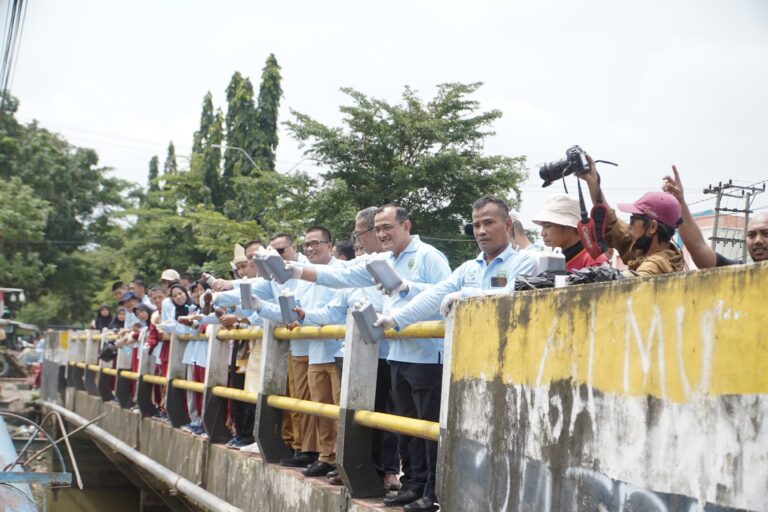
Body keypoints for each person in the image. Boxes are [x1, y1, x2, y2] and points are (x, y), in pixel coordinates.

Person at [287, 205, 451, 511]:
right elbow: (341, 275)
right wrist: (296, 271)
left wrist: (407, 288)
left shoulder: (428, 256)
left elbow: (446, 294)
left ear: (406, 225)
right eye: (377, 229)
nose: (382, 234)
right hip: (397, 354)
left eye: (388, 227)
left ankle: (432, 490)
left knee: (427, 428)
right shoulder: (383, 261)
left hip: (428, 355)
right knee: (406, 426)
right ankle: (414, 484)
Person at [250, 227, 344, 478]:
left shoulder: (339, 271)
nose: (311, 249)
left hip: (338, 350)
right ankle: (326, 456)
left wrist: (305, 318)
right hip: (314, 348)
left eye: (316, 244)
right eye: (307, 245)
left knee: (338, 409)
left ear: (330, 245)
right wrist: (260, 308)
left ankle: (339, 458)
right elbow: (295, 311)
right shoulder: (300, 277)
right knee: (319, 407)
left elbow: (331, 313)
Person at [579, 156, 684, 276]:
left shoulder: (655, 265)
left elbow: (632, 284)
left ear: (652, 227)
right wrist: (591, 179)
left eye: (633, 221)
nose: (629, 226)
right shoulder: (644, 251)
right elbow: (611, 222)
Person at [662, 166, 768, 267]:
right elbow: (698, 248)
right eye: (751, 235)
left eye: (766, 233)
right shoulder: (739, 274)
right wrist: (679, 202)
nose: (758, 240)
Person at [531, 194, 609, 270]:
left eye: (547, 226)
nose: (543, 233)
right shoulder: (557, 259)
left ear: (568, 226)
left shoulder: (594, 261)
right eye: (542, 227)